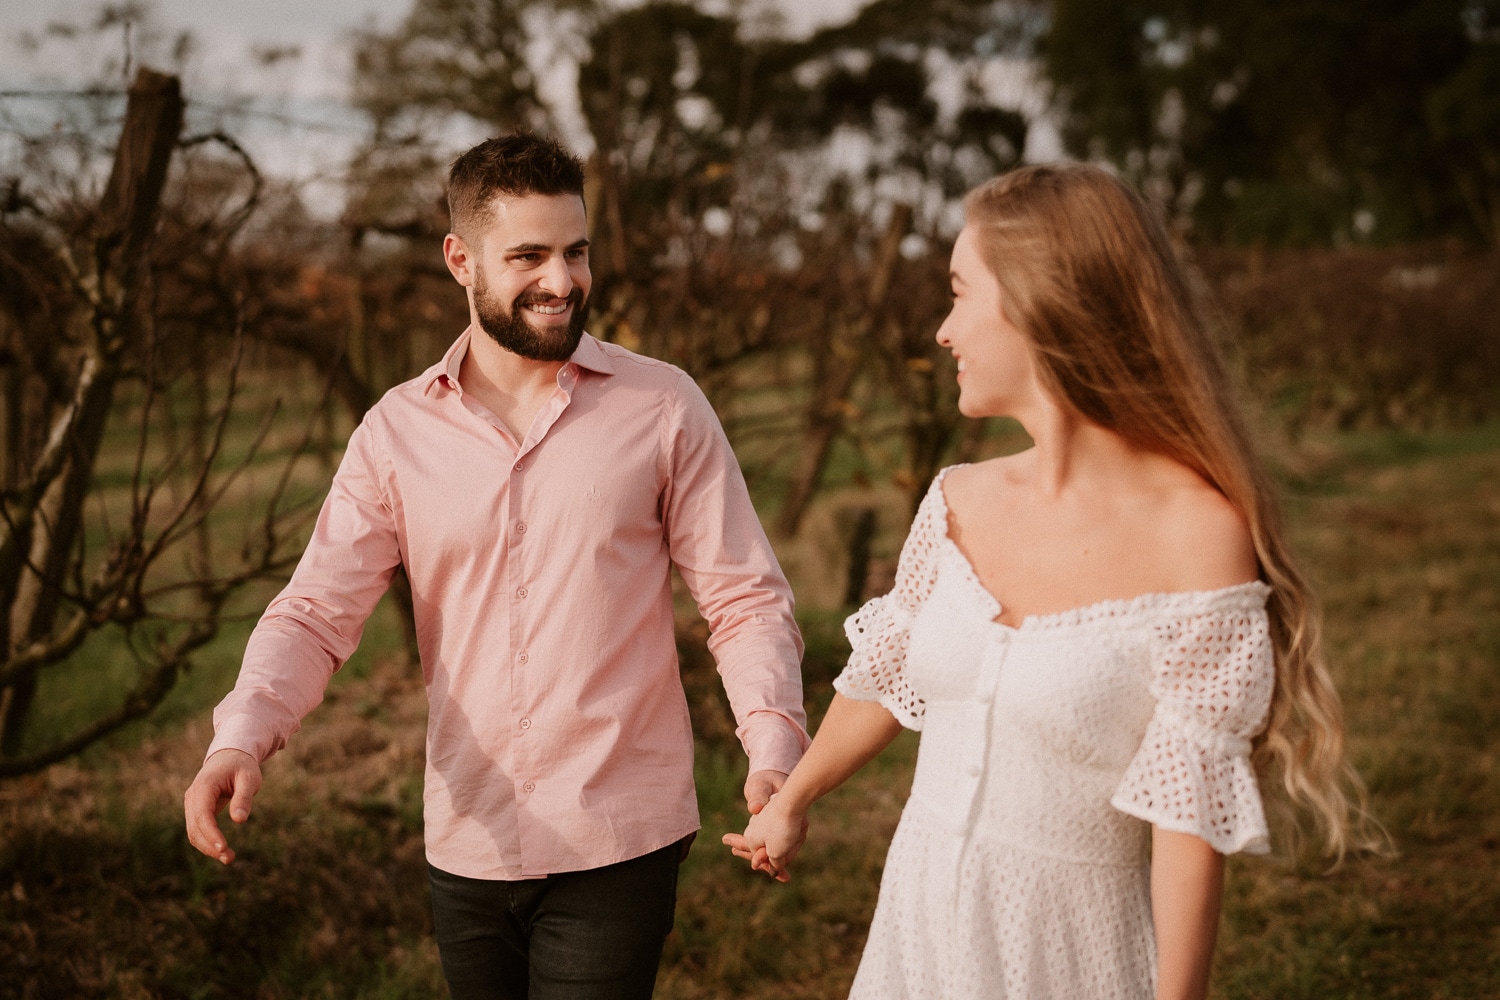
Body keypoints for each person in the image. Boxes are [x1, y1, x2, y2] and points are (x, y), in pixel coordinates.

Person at [724, 163, 1379, 1000]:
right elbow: (889, 671)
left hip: (1071, 953)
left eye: (960, 294)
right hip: (917, 932)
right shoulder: (956, 499)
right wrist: (794, 799)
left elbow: (1187, 823)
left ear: (1041, 304)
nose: (942, 331)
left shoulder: (1197, 533)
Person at [184, 132, 810, 1000]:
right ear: (460, 260)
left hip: (618, 834)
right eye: (529, 256)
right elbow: (316, 611)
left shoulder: (663, 406)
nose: (563, 281)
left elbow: (742, 598)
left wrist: (774, 749)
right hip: (467, 836)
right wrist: (241, 736)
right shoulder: (395, 433)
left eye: (577, 251)